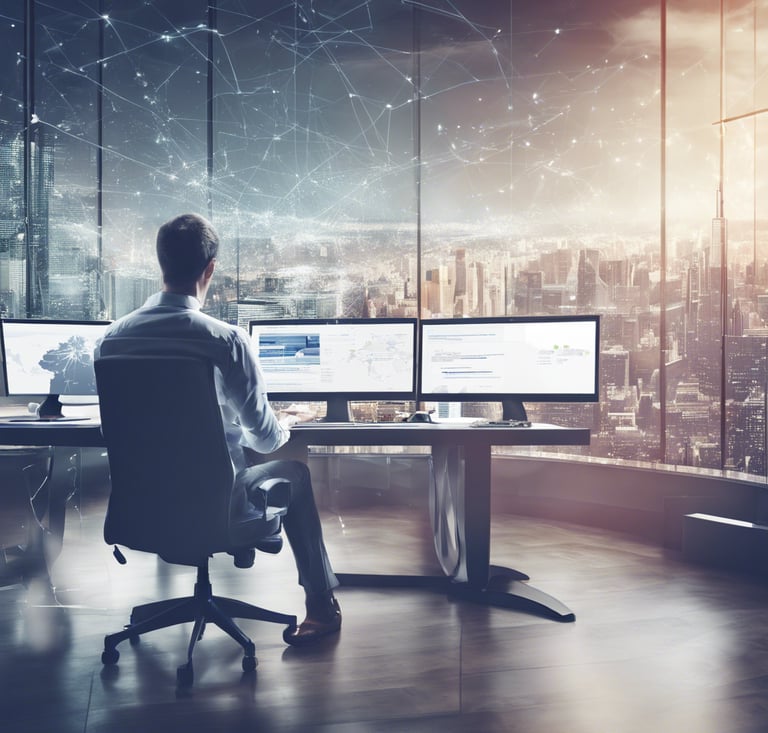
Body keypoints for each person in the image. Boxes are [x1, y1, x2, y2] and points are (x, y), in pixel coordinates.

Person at [94, 213, 341, 646]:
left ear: (161, 264)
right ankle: (321, 605)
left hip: (142, 510)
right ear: (210, 269)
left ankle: (248, 542)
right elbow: (264, 439)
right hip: (215, 507)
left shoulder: (112, 339)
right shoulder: (223, 340)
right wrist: (284, 420)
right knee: (294, 475)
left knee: (237, 475)